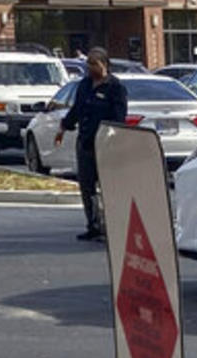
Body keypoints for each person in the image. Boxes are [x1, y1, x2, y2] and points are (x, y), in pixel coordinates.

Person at [55, 46, 128, 241]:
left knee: (108, 187)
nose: (90, 68)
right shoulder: (85, 85)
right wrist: (63, 127)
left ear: (104, 65)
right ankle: (93, 224)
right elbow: (77, 110)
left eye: (94, 64)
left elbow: (120, 118)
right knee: (87, 187)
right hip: (85, 143)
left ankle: (113, 226)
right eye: (88, 64)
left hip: (106, 145)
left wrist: (113, 138)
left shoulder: (116, 87)